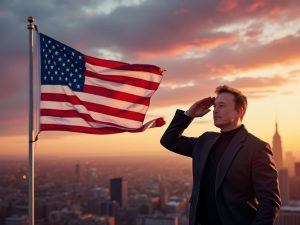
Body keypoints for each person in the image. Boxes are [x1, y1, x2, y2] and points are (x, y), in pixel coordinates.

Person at [160, 85, 281, 225]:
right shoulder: (205, 141)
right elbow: (169, 140)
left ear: (238, 112)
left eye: (222, 106)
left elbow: (270, 202)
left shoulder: (257, 148)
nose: (215, 110)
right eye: (215, 106)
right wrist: (189, 114)